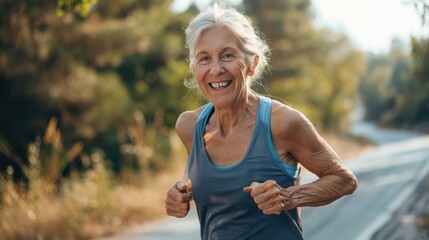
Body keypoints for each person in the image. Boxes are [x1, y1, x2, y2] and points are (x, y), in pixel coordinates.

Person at [165, 3, 358, 240]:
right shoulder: (189, 126)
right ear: (194, 68)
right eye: (204, 58)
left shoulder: (282, 122)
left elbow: (344, 180)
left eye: (227, 55)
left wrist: (288, 197)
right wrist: (180, 195)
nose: (216, 69)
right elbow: (197, 179)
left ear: (252, 64)